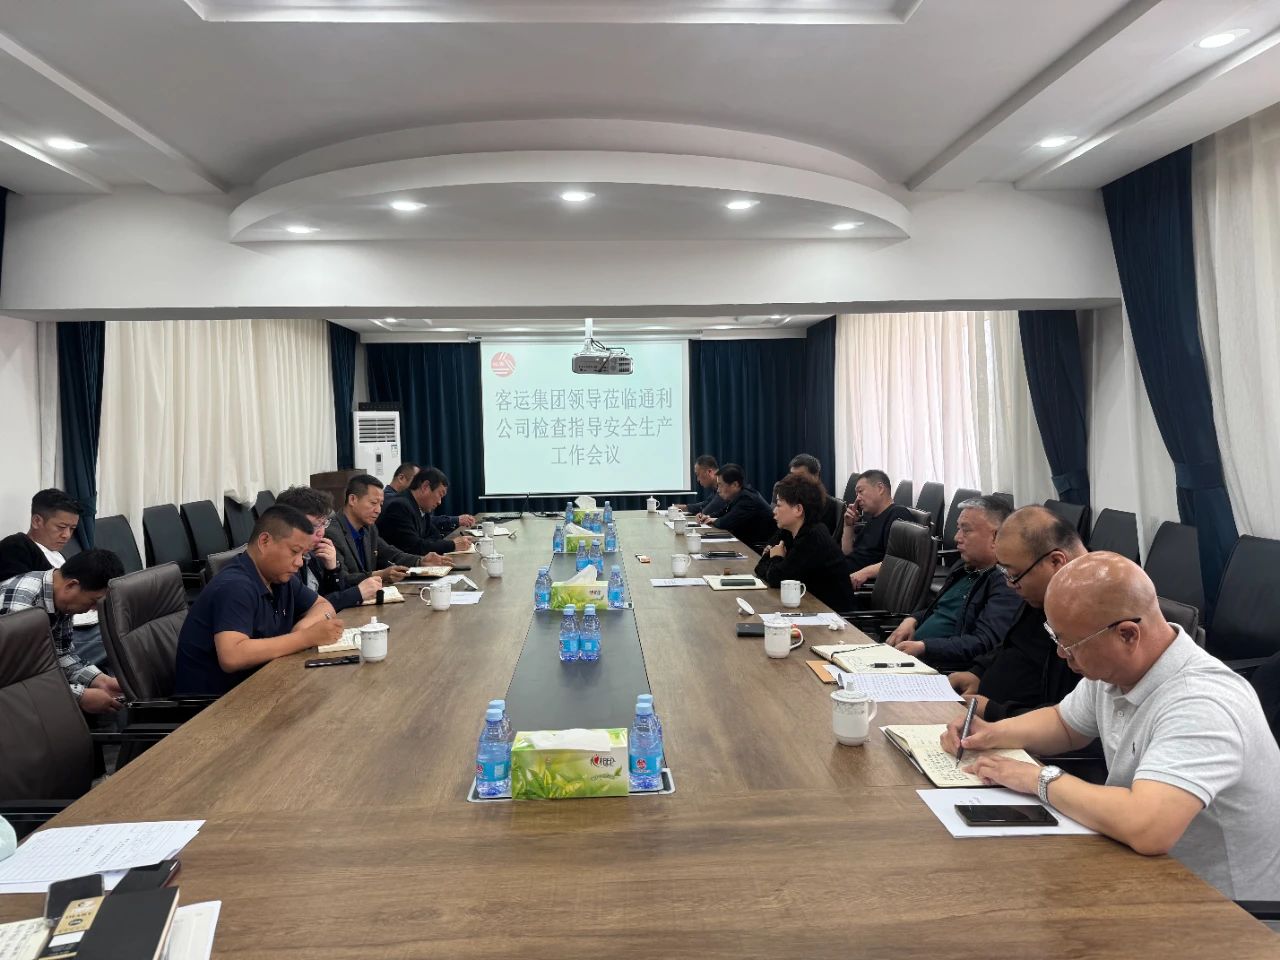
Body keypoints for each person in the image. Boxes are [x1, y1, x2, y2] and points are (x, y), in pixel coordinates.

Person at [942, 552, 1280, 901]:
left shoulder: (1202, 703)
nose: (1061, 654)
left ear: (1127, 635)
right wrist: (991, 733)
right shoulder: (1116, 669)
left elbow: (1148, 827)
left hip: (1221, 907)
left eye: (1069, 644)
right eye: (1056, 638)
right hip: (1141, 871)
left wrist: (1038, 780)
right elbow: (1064, 723)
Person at [174, 505, 345, 696]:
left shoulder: (280, 577)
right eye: (294, 552)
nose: (299, 562)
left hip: (261, 686)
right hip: (216, 705)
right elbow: (232, 656)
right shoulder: (235, 586)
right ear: (264, 541)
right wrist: (305, 638)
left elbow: (323, 605)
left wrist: (303, 628)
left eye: (303, 555)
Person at [944, 505, 1087, 720]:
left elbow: (1072, 718)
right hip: (985, 714)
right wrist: (978, 673)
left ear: (1056, 561)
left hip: (1019, 731)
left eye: (1015, 575)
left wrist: (993, 711)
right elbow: (1013, 642)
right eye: (1004, 572)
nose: (1010, 585)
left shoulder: (1094, 614)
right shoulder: (1043, 592)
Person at [885, 496, 1020, 672]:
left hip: (941, 670)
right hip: (912, 658)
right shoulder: (962, 568)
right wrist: (912, 619)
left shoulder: (1005, 584)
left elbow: (984, 643)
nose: (957, 537)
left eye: (966, 530)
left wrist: (924, 647)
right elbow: (940, 608)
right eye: (958, 529)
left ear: (996, 537)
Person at [0, 549, 125, 715]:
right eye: (93, 601)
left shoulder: (59, 596)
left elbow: (61, 654)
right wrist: (79, 696)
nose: (94, 609)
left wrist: (101, 681)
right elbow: (14, 677)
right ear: (72, 585)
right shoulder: (20, 605)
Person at [0, 488, 109, 669]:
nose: (67, 535)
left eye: (72, 529)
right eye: (61, 527)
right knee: (113, 639)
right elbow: (16, 606)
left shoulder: (57, 554)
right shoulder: (15, 548)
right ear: (37, 521)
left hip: (75, 626)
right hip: (57, 634)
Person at [754, 473, 856, 611]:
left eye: (779, 505)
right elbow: (760, 568)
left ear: (798, 509)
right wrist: (775, 560)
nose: (774, 511)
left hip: (833, 616)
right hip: (810, 606)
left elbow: (776, 578)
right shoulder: (788, 530)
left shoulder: (813, 537)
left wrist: (776, 557)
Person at [273, 486, 383, 612]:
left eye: (323, 524)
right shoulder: (285, 563)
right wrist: (357, 592)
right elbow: (307, 608)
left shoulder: (314, 553)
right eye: (314, 525)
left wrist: (332, 569)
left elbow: (332, 594)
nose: (321, 532)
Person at [326, 474, 426, 588]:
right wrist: (380, 575)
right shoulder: (332, 533)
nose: (378, 510)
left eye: (381, 504)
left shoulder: (369, 528)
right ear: (352, 499)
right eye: (373, 503)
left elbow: (390, 553)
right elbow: (342, 579)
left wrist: (421, 561)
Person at [840, 470, 915, 588]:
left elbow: (899, 563)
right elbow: (847, 553)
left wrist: (864, 573)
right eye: (856, 494)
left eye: (860, 491)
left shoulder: (898, 515)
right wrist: (848, 526)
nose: (857, 499)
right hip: (844, 573)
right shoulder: (873, 518)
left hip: (858, 583)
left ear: (880, 488)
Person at [379, 467, 475, 557]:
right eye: (440, 494)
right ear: (425, 486)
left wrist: (426, 543)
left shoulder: (421, 507)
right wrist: (452, 545)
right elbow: (415, 547)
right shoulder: (399, 506)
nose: (439, 502)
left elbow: (435, 536)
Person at [702, 464, 775, 547]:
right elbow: (724, 512)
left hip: (758, 548)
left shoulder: (748, 499)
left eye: (720, 485)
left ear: (735, 485)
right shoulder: (740, 495)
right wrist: (708, 517)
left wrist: (713, 520)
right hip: (746, 543)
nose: (718, 490)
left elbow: (725, 523)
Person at [788, 454, 841, 536]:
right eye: (792, 476)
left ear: (816, 476)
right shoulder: (790, 500)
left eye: (800, 477)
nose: (795, 481)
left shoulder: (828, 505)